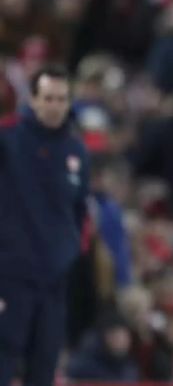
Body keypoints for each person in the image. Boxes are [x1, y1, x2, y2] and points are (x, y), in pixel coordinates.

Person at [0, 66, 90, 386]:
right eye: (48, 98)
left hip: (54, 281)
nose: (55, 105)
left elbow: (79, 211)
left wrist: (70, 252)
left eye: (62, 99)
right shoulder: (8, 141)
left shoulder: (76, 151)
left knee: (45, 363)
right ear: (33, 100)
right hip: (11, 277)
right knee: (4, 359)